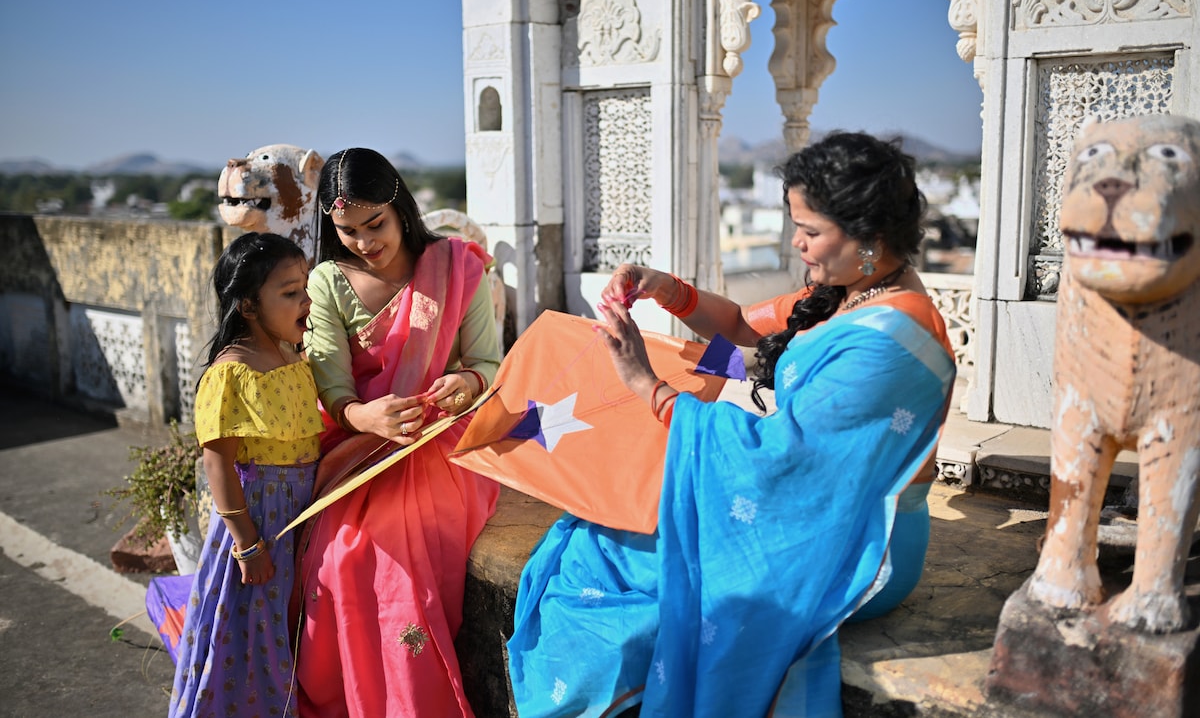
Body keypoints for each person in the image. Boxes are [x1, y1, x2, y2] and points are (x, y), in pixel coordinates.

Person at [506, 131, 957, 717]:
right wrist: (662, 288)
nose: (796, 243)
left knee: (613, 563)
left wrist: (648, 386)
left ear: (870, 236)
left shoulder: (892, 345)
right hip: (803, 509)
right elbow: (745, 330)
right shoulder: (848, 293)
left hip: (861, 542)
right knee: (593, 536)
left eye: (811, 231)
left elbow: (779, 457)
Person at [296, 147, 501, 717]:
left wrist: (465, 381)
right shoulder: (328, 283)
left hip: (443, 442)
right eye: (348, 231)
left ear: (400, 208)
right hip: (362, 450)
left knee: (396, 551)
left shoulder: (457, 265)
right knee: (342, 555)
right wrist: (366, 416)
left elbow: (488, 363)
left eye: (375, 225)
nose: (364, 242)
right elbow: (332, 388)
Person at [170, 232, 326, 718]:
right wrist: (248, 543)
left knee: (286, 631)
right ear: (247, 305)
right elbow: (217, 462)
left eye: (305, 288)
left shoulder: (293, 357)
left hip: (300, 512)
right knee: (251, 638)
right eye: (289, 292)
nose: (305, 301)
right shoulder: (231, 372)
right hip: (260, 522)